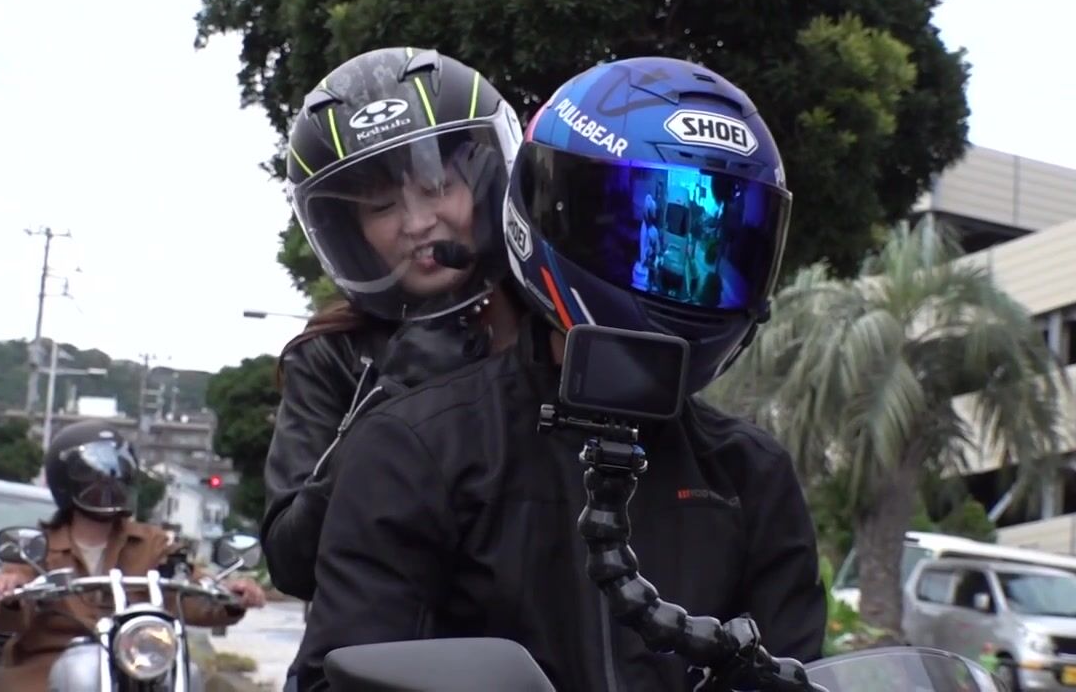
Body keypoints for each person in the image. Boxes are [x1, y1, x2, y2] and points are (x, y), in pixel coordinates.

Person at [291, 56, 825, 692]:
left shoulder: (751, 474)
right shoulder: (415, 448)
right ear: (558, 218)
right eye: (645, 233)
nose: (685, 267)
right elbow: (341, 671)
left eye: (721, 246)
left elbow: (797, 673)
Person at [261, 45, 523, 603]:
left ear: (483, 184)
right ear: (351, 231)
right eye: (382, 207)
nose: (418, 222)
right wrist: (389, 404)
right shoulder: (333, 356)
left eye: (436, 186)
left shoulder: (554, 318)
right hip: (394, 639)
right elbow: (291, 560)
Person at [0, 419, 266, 692]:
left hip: (139, 666)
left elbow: (188, 589)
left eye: (117, 471)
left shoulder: (153, 544)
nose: (109, 482)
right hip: (50, 666)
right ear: (65, 481)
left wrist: (229, 595)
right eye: (94, 475)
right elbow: (6, 611)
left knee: (189, 677)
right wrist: (10, 593)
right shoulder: (39, 547)